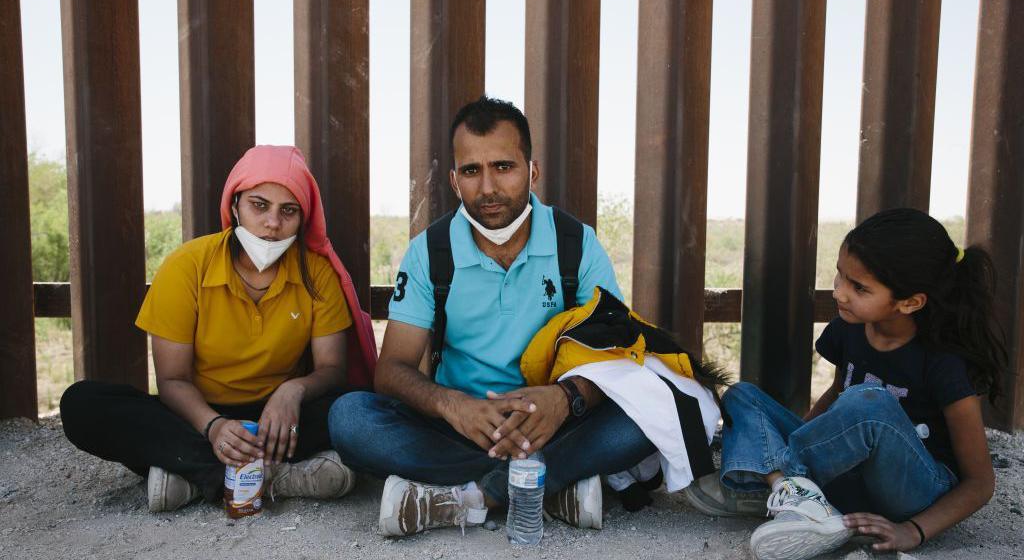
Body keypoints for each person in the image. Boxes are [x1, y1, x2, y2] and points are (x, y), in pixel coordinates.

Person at [328, 96, 656, 536]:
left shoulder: (576, 244)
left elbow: (613, 358)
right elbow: (392, 371)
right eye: (471, 171)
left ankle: (474, 496)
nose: (487, 188)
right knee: (350, 419)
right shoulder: (431, 251)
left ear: (532, 171)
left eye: (503, 166)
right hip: (460, 425)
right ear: (454, 179)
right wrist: (453, 406)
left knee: (647, 413)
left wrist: (564, 401)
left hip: (554, 422)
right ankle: (549, 485)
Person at [60, 145, 376, 512]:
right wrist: (213, 427)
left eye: (288, 211)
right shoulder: (186, 267)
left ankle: (191, 476)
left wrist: (292, 391)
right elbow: (173, 380)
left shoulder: (316, 274)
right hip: (197, 415)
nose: (273, 223)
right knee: (82, 405)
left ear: (302, 219)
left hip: (276, 420)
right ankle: (266, 477)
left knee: (356, 409)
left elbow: (332, 370)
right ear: (234, 206)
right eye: (259, 205)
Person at [684, 208, 1004, 560]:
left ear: (910, 302)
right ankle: (798, 497)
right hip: (847, 478)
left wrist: (913, 531)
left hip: (910, 492)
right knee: (742, 395)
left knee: (869, 402)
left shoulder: (943, 362)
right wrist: (792, 436)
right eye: (840, 276)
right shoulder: (849, 328)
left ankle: (775, 486)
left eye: (859, 287)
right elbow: (836, 394)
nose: (840, 293)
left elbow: (979, 483)